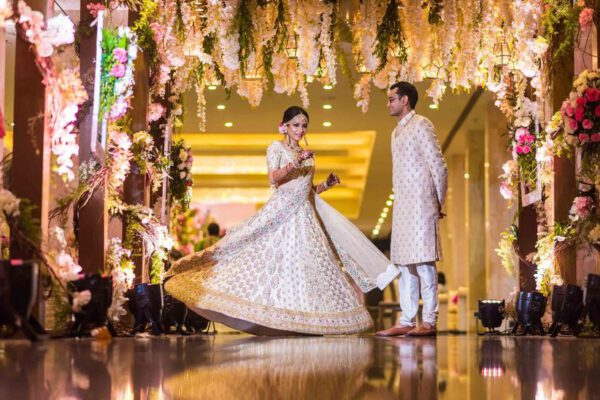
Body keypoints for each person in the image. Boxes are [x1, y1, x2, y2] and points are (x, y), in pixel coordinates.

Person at [165, 106, 399, 336]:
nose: (300, 129)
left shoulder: (308, 157)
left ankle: (304, 320)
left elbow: (307, 192)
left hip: (305, 218)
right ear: (284, 126)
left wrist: (326, 185)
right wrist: (295, 162)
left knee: (306, 267)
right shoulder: (276, 148)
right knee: (274, 262)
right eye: (296, 125)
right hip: (282, 215)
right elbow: (274, 178)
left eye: (304, 125)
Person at [377, 82, 448, 337]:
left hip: (421, 202)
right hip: (403, 204)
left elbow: (438, 165)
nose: (388, 104)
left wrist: (438, 201)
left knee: (424, 262)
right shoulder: (395, 133)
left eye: (391, 99)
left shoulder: (422, 124)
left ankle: (429, 320)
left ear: (405, 100)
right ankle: (406, 320)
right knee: (405, 264)